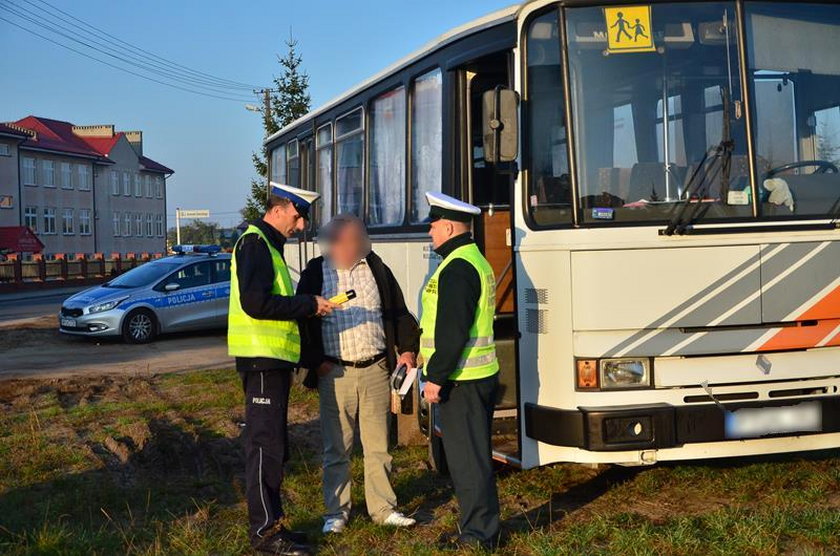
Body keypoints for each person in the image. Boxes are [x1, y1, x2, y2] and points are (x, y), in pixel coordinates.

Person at [228, 182, 339, 556]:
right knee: (264, 447)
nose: (301, 225)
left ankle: (273, 524)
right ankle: (263, 533)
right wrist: (308, 304)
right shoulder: (256, 243)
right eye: (298, 215)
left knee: (274, 446)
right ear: (281, 208)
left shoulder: (266, 244)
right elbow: (256, 303)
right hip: (261, 359)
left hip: (271, 361)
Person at [297, 214, 420, 534]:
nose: (358, 245)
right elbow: (300, 323)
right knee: (337, 447)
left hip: (376, 370)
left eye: (360, 239)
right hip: (334, 373)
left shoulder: (376, 269)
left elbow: (398, 312)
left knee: (379, 446)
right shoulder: (314, 273)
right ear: (334, 241)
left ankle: (383, 508)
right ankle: (336, 513)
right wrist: (316, 362)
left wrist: (406, 349)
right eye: (350, 239)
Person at [419, 192, 500, 551]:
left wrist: (435, 377)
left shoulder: (457, 267)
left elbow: (453, 331)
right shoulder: (471, 259)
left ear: (449, 226)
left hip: (462, 380)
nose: (430, 233)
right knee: (474, 458)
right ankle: (479, 529)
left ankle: (478, 536)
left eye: (434, 226)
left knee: (468, 462)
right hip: (474, 377)